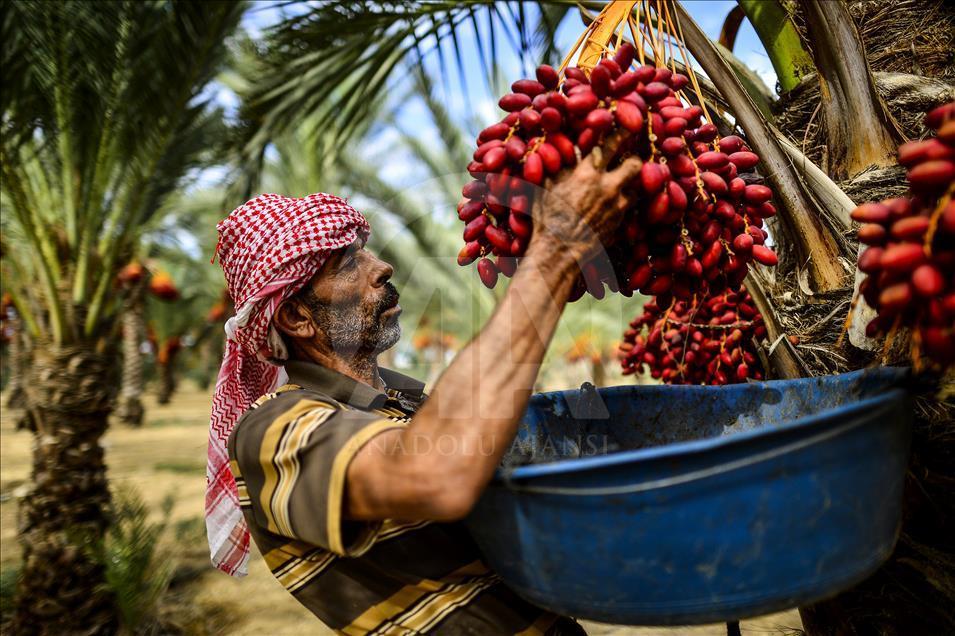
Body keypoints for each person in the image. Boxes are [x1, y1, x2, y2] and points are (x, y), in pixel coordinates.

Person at [205, 148, 642, 634]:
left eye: (366, 250)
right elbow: (433, 476)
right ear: (296, 317)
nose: (382, 267)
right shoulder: (271, 430)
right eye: (348, 263)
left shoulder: (410, 404)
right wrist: (556, 250)